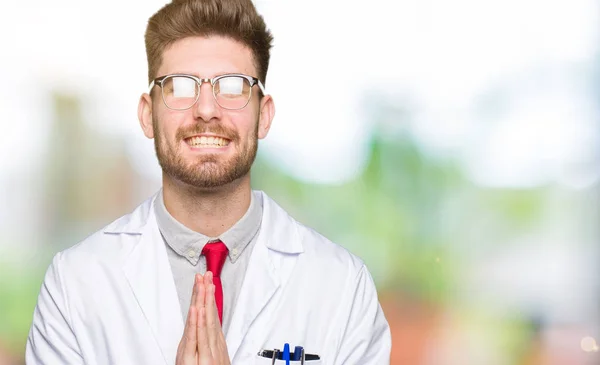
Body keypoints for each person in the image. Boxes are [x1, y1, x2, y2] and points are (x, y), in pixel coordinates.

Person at [25, 0, 392, 363]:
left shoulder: (343, 287)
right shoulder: (74, 284)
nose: (205, 110)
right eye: (180, 87)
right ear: (147, 115)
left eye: (232, 87)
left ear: (263, 116)